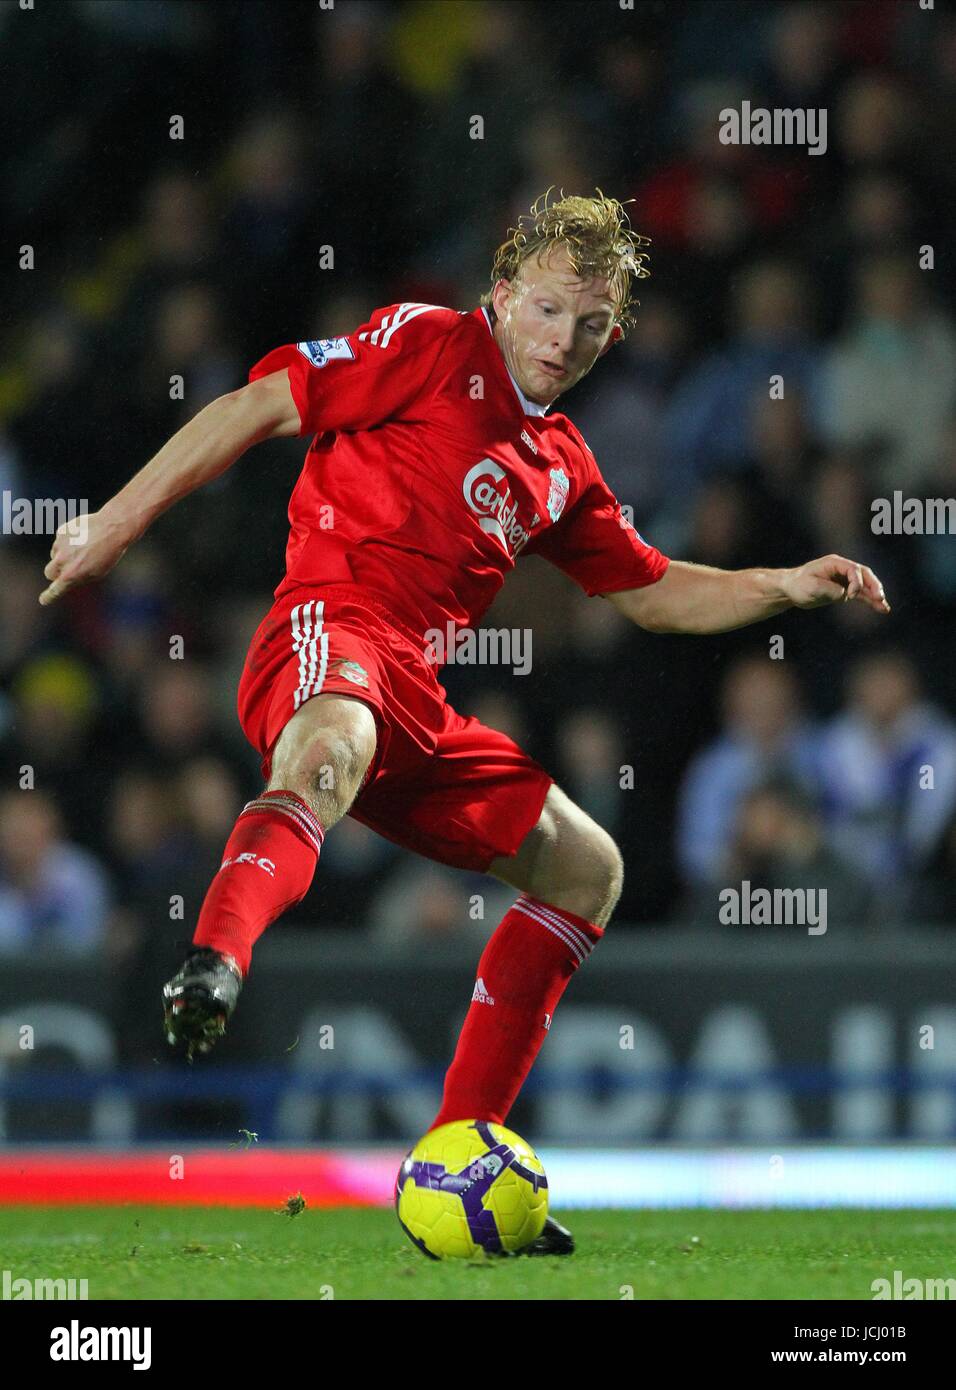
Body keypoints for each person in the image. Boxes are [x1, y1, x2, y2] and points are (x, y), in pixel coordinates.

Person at [38, 189, 889, 1254]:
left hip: (421, 709)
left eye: (587, 326)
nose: (561, 341)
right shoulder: (432, 343)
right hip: (330, 631)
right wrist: (115, 521)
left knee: (588, 869)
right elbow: (258, 405)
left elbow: (651, 589)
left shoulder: (561, 463)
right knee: (329, 747)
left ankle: (458, 1156)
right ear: (501, 295)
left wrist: (782, 582)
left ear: (611, 334)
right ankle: (213, 958)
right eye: (545, 310)